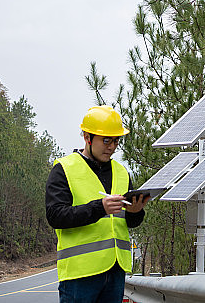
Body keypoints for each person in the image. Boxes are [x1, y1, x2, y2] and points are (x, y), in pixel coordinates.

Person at [45, 105, 150, 303]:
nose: (111, 146)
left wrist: (135, 212)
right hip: (79, 274)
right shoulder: (64, 169)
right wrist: (99, 208)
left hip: (115, 271)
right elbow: (55, 216)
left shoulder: (121, 172)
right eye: (106, 140)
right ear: (87, 138)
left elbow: (128, 221)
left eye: (116, 140)